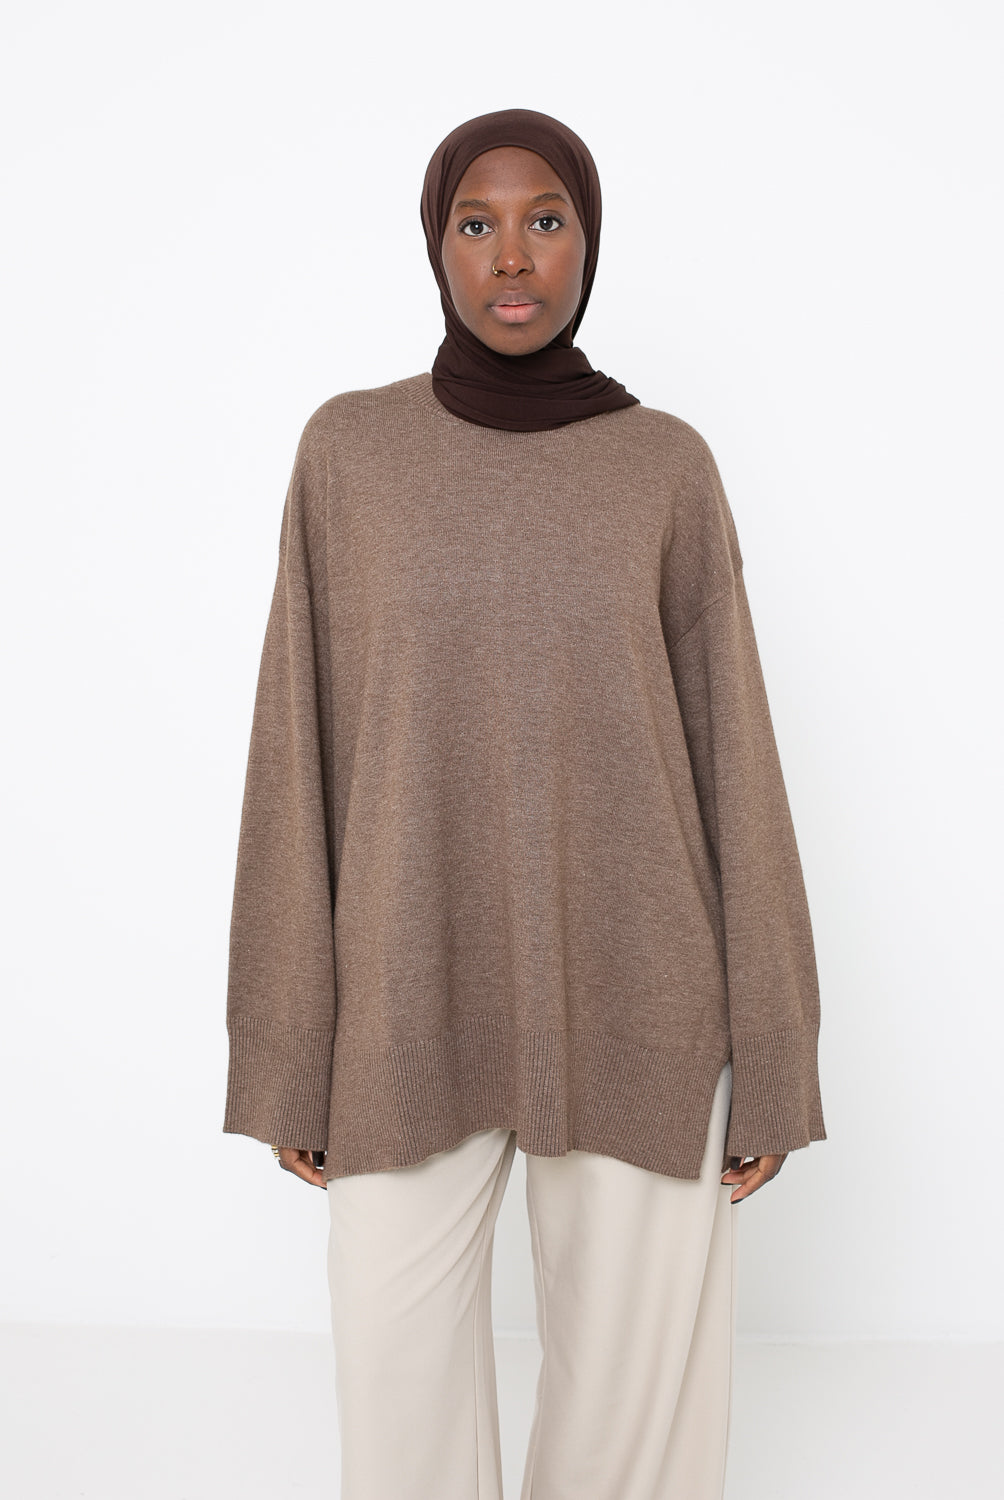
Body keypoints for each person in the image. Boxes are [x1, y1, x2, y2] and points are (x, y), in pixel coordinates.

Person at [223, 107, 826, 1500]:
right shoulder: (349, 454)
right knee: (397, 1406)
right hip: (403, 994)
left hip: (640, 997)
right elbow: (294, 752)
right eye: (476, 222)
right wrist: (287, 1044)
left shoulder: (665, 465)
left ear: (588, 243)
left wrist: (775, 1050)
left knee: (633, 1435)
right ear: (435, 245)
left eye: (546, 220)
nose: (512, 255)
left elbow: (736, 758)